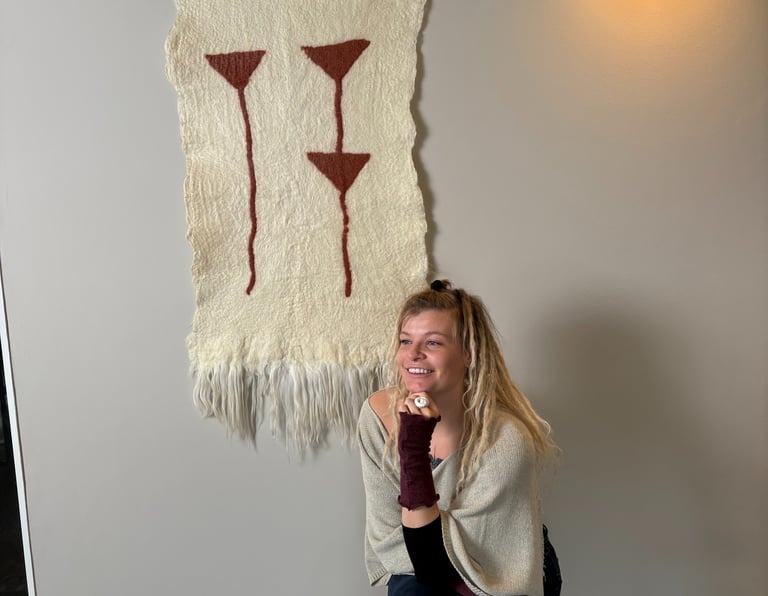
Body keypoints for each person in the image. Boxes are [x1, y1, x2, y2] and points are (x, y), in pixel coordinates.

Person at [357, 280, 561, 596]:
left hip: (500, 569)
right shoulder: (377, 417)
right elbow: (389, 540)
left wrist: (412, 448)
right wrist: (413, 438)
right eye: (405, 341)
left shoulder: (505, 439)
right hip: (421, 566)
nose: (413, 355)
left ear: (468, 353)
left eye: (433, 343)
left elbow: (434, 561)